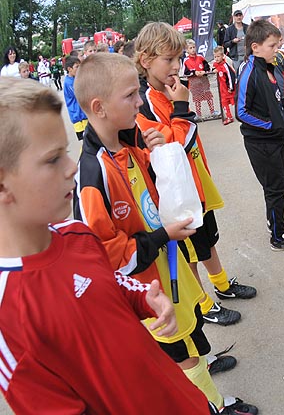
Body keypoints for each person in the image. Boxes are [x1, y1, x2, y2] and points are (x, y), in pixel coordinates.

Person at [0, 78, 214, 414]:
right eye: (53, 159)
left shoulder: (76, 234)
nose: (72, 167)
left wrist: (142, 297)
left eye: (65, 153)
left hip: (180, 397)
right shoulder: (8, 311)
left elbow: (107, 279)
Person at [73, 53, 258, 415]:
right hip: (149, 290)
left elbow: (151, 197)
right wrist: (163, 236)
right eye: (130, 95)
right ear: (99, 107)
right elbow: (106, 256)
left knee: (191, 333)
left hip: (169, 269)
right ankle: (213, 406)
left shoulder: (129, 144)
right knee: (181, 351)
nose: (139, 101)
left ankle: (204, 378)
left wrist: (156, 155)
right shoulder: (93, 174)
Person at [135, 23, 256, 329]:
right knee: (189, 252)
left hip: (196, 182)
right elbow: (174, 147)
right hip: (177, 194)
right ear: (146, 60)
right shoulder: (144, 104)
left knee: (208, 240)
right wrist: (181, 105)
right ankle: (202, 304)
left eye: (178, 58)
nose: (177, 66)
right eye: (168, 59)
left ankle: (222, 285)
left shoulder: (170, 89)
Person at [238, 19, 284, 251]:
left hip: (274, 140)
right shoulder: (249, 71)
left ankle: (278, 224)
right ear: (255, 47)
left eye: (278, 45)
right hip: (261, 142)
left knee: (279, 185)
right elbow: (241, 111)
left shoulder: (267, 65)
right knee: (275, 189)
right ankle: (278, 238)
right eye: (272, 46)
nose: (277, 50)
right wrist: (269, 126)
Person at [182, 38, 217, 119]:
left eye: (194, 47)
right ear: (187, 50)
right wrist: (194, 73)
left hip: (204, 82)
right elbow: (185, 72)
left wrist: (204, 71)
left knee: (208, 96)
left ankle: (212, 111)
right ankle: (199, 114)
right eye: (190, 48)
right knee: (197, 99)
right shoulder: (186, 60)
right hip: (194, 84)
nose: (193, 49)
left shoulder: (200, 57)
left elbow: (207, 66)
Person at [63, 55, 89, 140]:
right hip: (78, 116)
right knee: (86, 139)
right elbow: (80, 94)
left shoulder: (75, 79)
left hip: (83, 114)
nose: (79, 69)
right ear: (69, 69)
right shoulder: (69, 83)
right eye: (77, 67)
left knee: (89, 139)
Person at [212, 46, 237, 125]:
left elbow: (231, 77)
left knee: (235, 101)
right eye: (215, 57)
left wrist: (231, 88)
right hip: (222, 89)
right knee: (224, 103)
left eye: (218, 56)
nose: (216, 58)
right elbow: (212, 68)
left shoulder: (225, 66)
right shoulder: (216, 64)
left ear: (223, 56)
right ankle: (229, 117)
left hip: (228, 89)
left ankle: (243, 113)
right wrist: (213, 69)